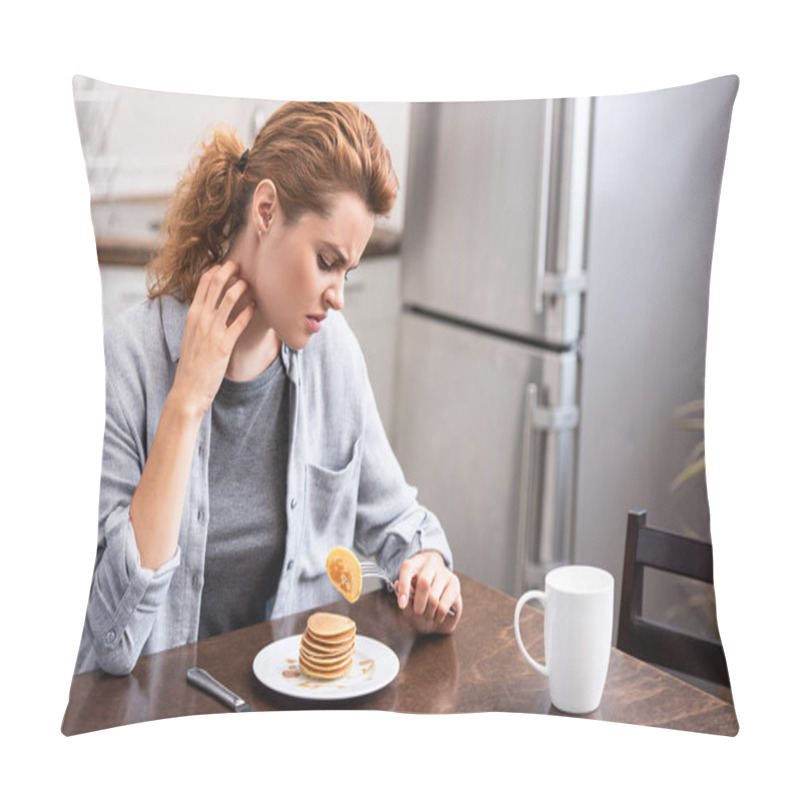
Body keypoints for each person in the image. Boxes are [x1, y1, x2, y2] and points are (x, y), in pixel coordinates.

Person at [75, 101, 462, 676]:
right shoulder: (129, 362)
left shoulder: (334, 354)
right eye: (327, 261)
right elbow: (114, 640)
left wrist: (429, 567)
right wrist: (187, 401)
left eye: (346, 272)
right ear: (265, 209)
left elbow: (401, 523)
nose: (338, 295)